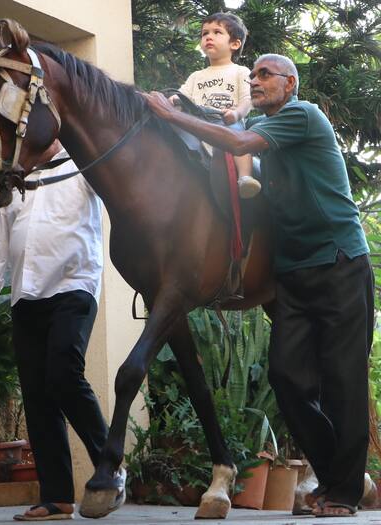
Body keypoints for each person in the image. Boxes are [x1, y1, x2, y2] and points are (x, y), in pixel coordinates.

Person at [145, 53, 374, 518]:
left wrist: (171, 114)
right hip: (293, 273)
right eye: (252, 77)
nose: (255, 81)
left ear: (291, 83)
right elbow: (234, 160)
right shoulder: (268, 142)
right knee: (287, 377)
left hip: (340, 263)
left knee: (343, 382)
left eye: (265, 74)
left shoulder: (302, 115)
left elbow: (237, 139)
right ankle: (336, 478)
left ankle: (344, 492)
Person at [0, 140, 108, 521]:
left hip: (74, 286)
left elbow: (122, 190)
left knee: (64, 373)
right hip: (26, 294)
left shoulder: (85, 163)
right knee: (37, 394)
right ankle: (57, 498)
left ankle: (110, 466)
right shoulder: (13, 179)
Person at [171, 12, 261, 199]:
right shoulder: (196, 76)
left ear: (234, 44)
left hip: (225, 122)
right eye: (204, 33)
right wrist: (169, 101)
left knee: (239, 141)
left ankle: (245, 177)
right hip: (198, 124)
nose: (208, 37)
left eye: (217, 32)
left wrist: (236, 114)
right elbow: (181, 96)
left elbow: (247, 100)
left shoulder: (239, 71)